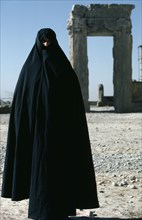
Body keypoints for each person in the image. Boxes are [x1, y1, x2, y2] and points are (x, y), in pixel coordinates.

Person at [1, 28, 99, 220]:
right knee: (37, 170)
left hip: (60, 132)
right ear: (39, 42)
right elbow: (22, 103)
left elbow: (73, 104)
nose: (46, 44)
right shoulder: (29, 69)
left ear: (54, 41)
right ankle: (39, 211)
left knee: (59, 170)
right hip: (35, 132)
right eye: (43, 41)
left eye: (49, 41)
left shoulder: (63, 68)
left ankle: (61, 209)